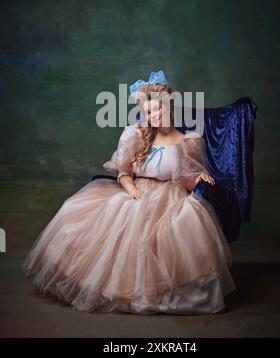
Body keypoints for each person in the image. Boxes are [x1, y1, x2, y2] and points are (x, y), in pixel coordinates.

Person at [22, 70, 236, 314]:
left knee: (178, 227)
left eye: (158, 110)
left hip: (169, 195)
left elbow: (184, 179)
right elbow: (123, 172)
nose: (153, 116)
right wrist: (132, 188)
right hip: (137, 191)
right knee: (109, 213)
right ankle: (111, 288)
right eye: (148, 112)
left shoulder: (188, 141)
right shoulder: (135, 134)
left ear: (170, 106)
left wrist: (199, 177)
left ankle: (167, 291)